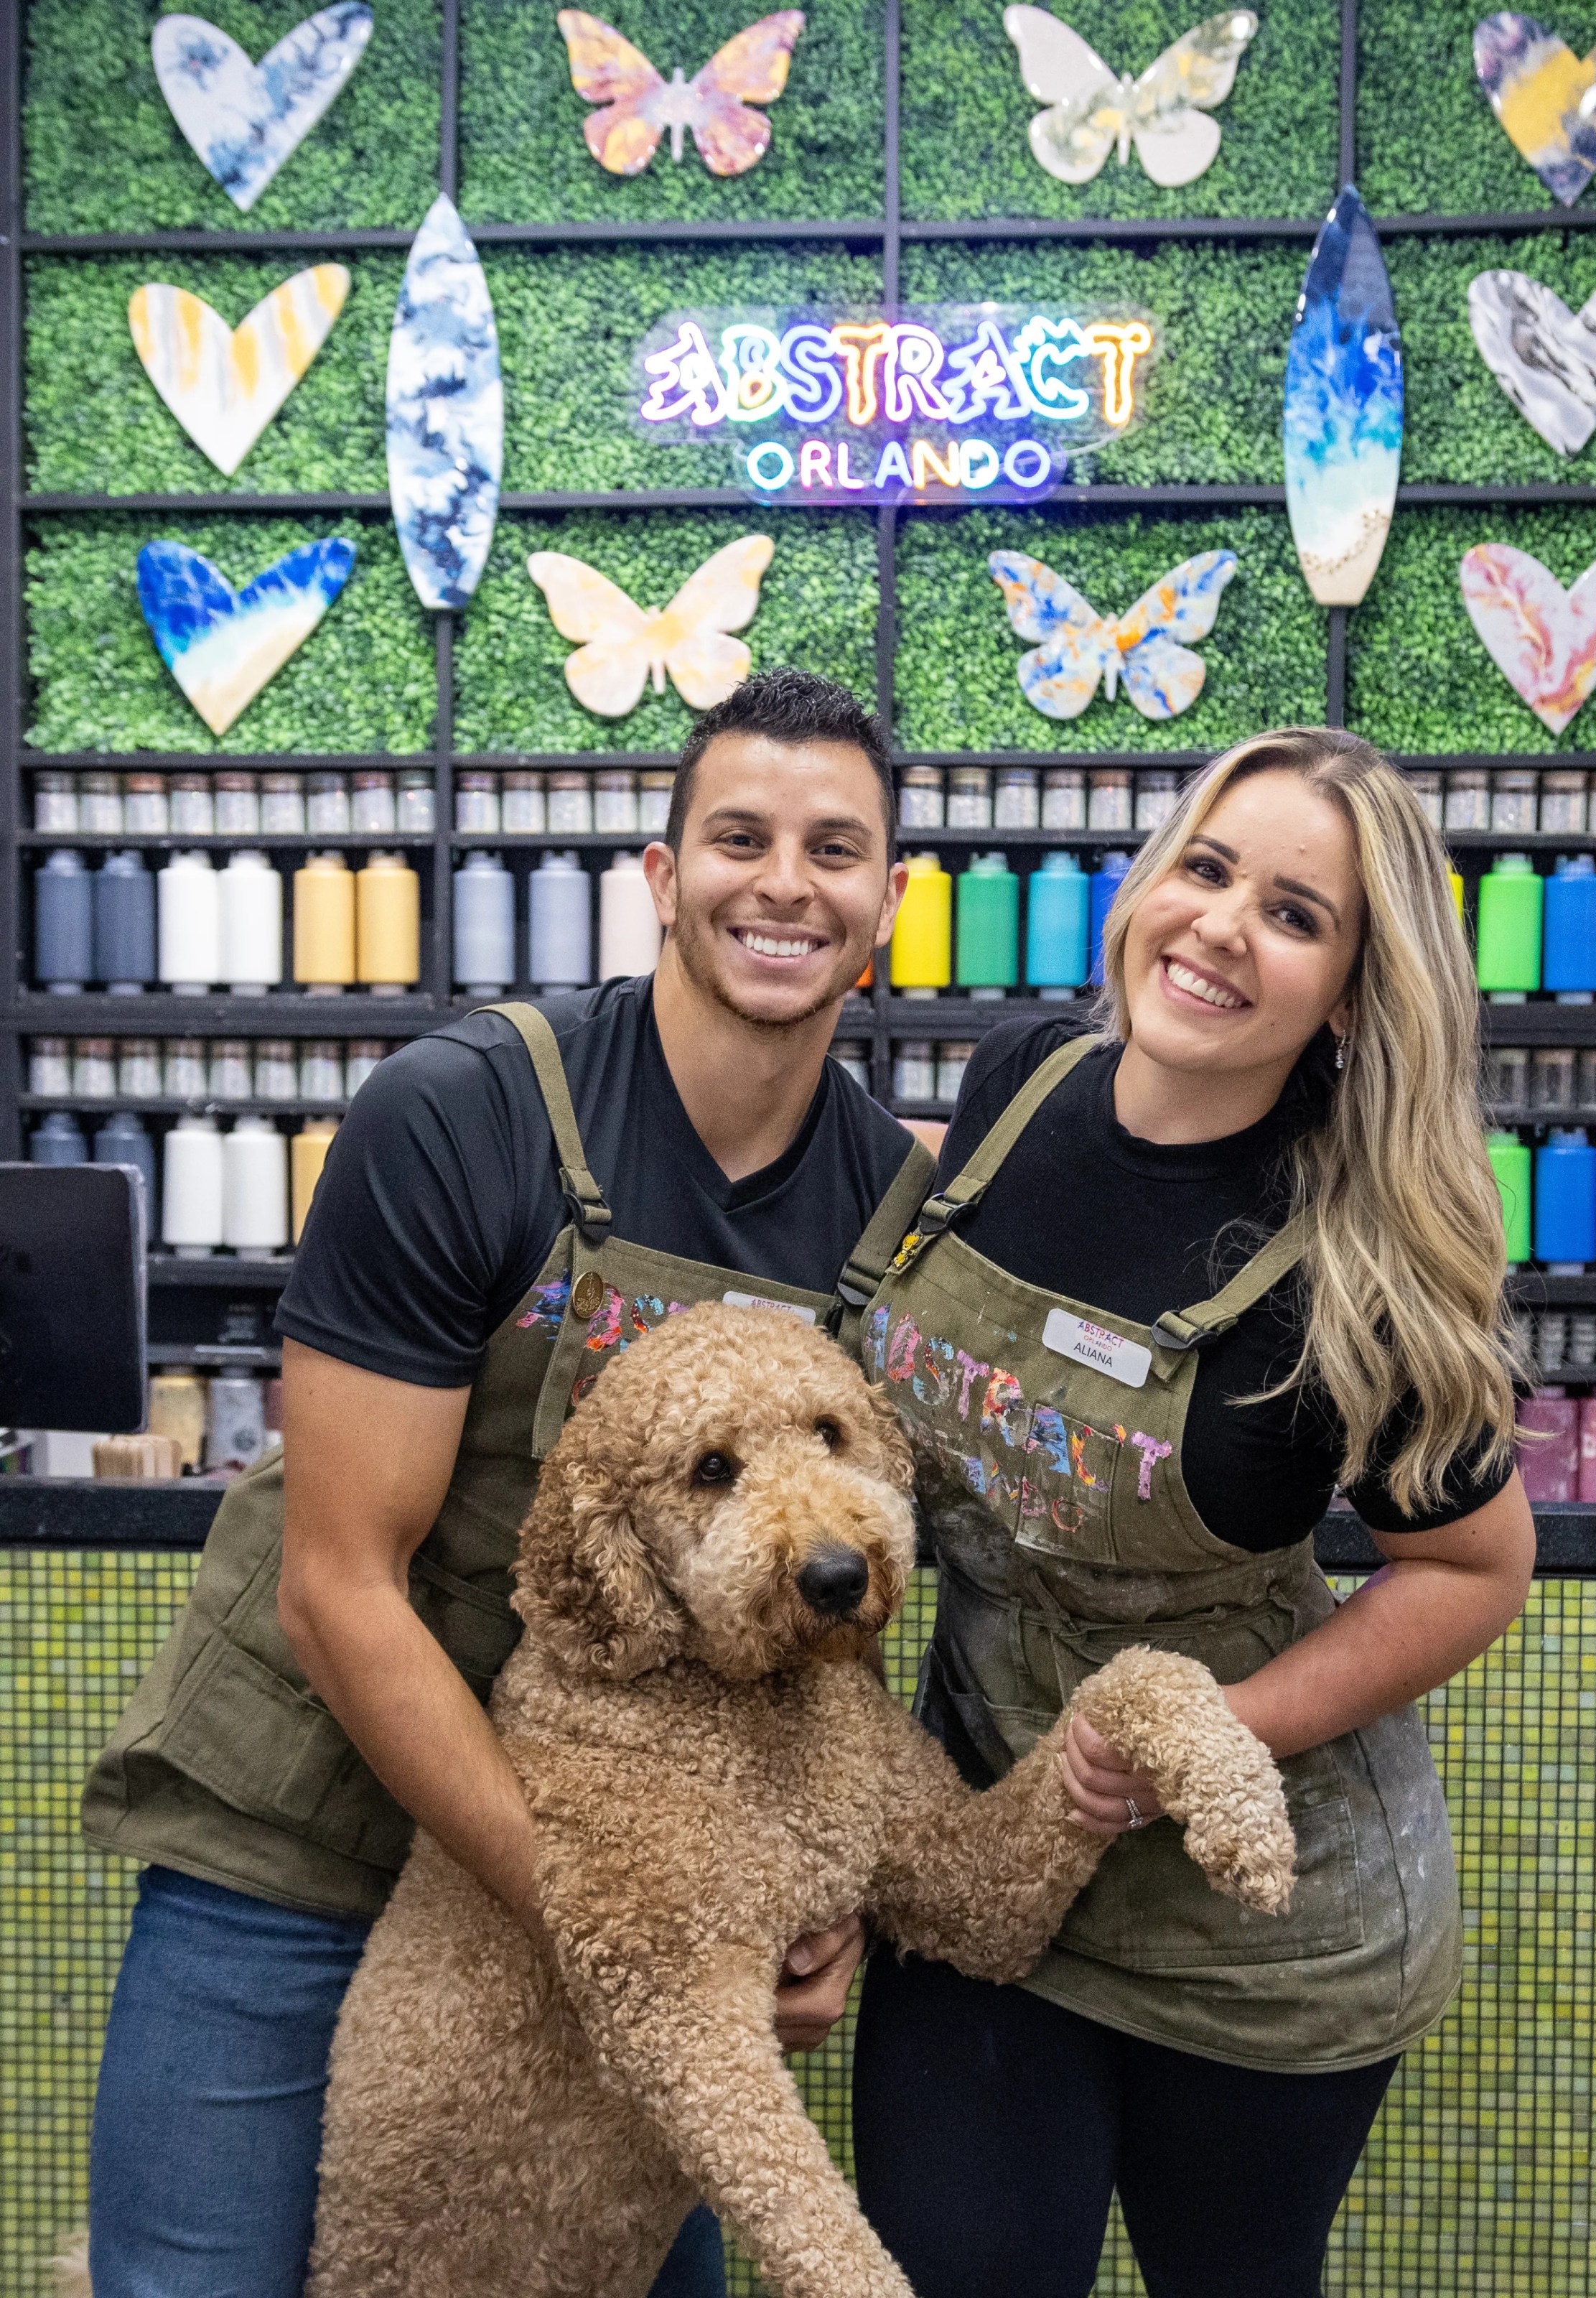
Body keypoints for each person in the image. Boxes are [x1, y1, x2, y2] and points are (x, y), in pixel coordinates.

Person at [81, 669, 930, 2298]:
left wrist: (794, 1889)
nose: (785, 882)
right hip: (311, 1832)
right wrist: (625, 1927)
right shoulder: (465, 1112)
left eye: (836, 848)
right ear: (663, 876)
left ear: (888, 899)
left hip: (627, 1841)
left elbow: (827, 1584)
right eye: (739, 836)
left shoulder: (886, 1204)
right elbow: (341, 1586)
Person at [850, 727, 1536, 2298]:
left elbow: (1477, 1569)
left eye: (1296, 913)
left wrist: (1204, 1737)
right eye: (1208, 869)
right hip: (992, 1851)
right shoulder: (1018, 1085)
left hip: (1263, 1926)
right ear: (1150, 885)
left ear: (1355, 992)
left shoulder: (1363, 1259)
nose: (1225, 925)